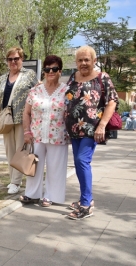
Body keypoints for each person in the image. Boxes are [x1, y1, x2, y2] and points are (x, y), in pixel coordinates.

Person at [65, 45, 118, 220]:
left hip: (92, 129)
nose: (83, 63)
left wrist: (102, 125)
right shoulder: (73, 77)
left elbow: (112, 102)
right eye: (80, 60)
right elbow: (66, 98)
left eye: (87, 59)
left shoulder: (102, 78)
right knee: (80, 163)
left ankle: (86, 205)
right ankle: (84, 199)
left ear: (94, 61)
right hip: (74, 129)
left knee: (82, 161)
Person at [19, 55, 69, 207]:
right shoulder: (35, 90)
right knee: (34, 165)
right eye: (47, 69)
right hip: (37, 135)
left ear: (60, 71)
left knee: (56, 167)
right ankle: (32, 194)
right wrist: (26, 132)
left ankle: (52, 196)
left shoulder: (67, 91)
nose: (50, 72)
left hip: (58, 135)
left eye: (54, 69)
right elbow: (26, 113)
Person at [0, 47, 38, 194]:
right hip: (7, 118)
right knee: (9, 150)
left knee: (21, 151)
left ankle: (16, 182)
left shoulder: (29, 74)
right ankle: (12, 180)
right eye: (10, 59)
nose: (13, 62)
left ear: (22, 59)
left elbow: (37, 93)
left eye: (16, 58)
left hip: (23, 119)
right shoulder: (3, 78)